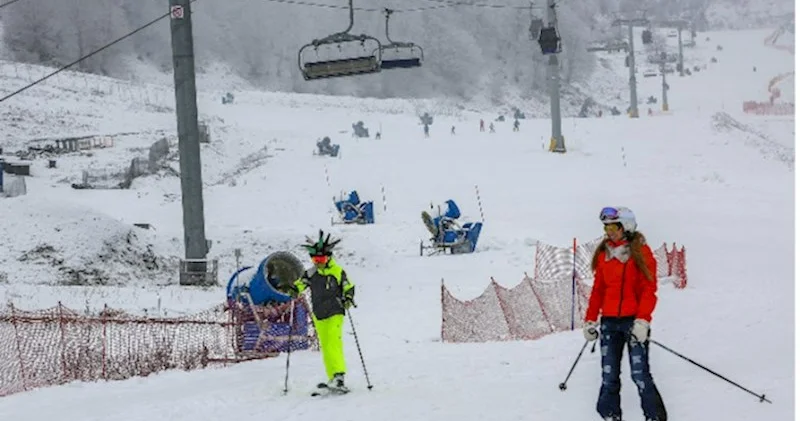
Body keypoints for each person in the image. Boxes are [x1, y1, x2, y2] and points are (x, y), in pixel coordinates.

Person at [583, 207, 667, 421]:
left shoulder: (640, 252)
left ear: (626, 227)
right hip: (609, 323)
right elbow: (598, 290)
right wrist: (590, 320)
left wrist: (642, 321)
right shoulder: (604, 254)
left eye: (613, 227)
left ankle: (654, 417)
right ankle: (610, 415)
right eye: (606, 228)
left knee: (640, 375)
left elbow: (649, 290)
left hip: (633, 322)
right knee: (609, 376)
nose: (609, 232)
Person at [289, 230, 356, 393]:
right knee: (325, 346)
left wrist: (348, 298)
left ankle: (339, 376)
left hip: (335, 311)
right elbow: (300, 285)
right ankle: (332, 376)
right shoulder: (311, 273)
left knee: (333, 342)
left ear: (329, 258)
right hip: (319, 313)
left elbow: (348, 286)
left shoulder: (337, 271)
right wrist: (293, 290)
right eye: (315, 260)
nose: (318, 263)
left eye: (321, 259)